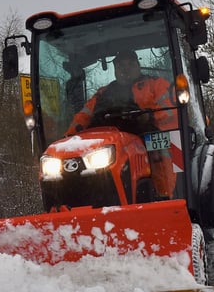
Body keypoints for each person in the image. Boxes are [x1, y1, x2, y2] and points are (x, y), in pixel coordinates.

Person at [66, 49, 178, 197]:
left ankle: (166, 196)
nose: (125, 68)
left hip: (150, 133)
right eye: (120, 65)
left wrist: (150, 116)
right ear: (115, 68)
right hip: (113, 140)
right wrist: (68, 138)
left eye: (130, 64)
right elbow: (83, 116)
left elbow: (172, 107)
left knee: (161, 149)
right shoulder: (104, 93)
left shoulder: (155, 84)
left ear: (138, 65)